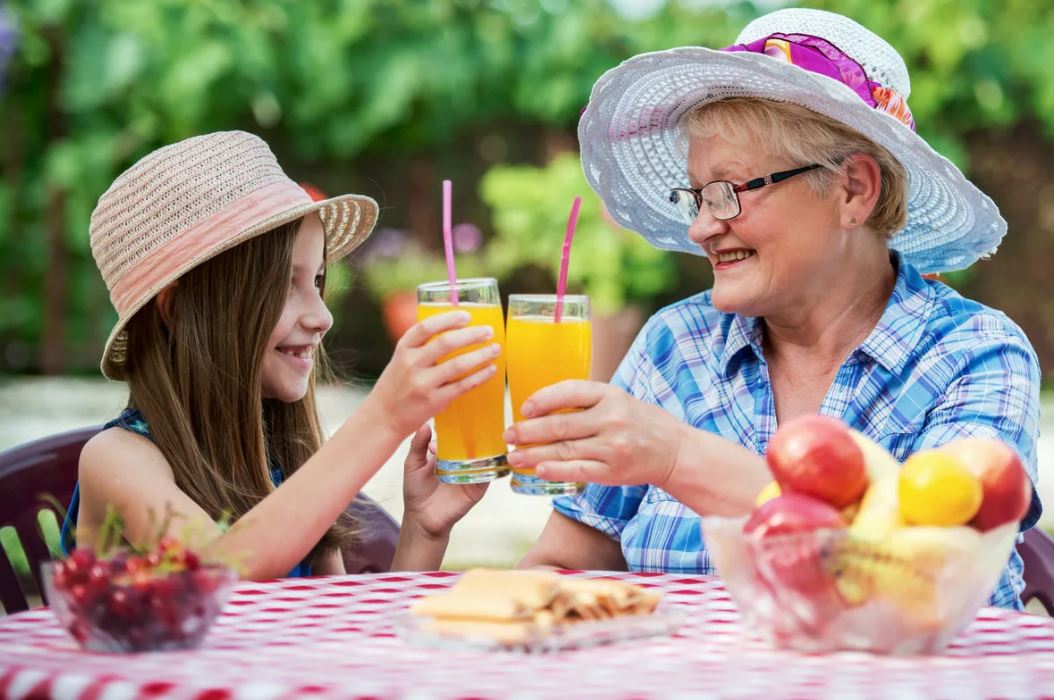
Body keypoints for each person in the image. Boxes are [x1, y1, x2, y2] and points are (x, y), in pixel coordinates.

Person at [511, 8, 1042, 609]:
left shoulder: (972, 355)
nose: (700, 226)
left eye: (728, 192)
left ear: (853, 191)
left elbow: (927, 575)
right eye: (695, 195)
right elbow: (560, 565)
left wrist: (679, 458)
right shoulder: (677, 344)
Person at [61, 131, 501, 578]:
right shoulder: (117, 461)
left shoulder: (285, 459)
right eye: (283, 286)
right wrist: (384, 416)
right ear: (176, 310)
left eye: (317, 281)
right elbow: (222, 576)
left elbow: (337, 630)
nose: (322, 315)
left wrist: (423, 531)